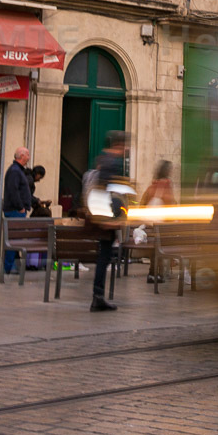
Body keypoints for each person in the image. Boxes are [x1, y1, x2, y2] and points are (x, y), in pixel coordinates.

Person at [86, 131, 130, 312]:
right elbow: (107, 190)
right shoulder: (113, 163)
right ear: (119, 145)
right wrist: (110, 219)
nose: (126, 149)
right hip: (107, 217)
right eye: (125, 145)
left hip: (103, 216)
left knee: (103, 257)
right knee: (104, 257)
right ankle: (98, 297)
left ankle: (98, 296)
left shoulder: (103, 160)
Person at [1, 147, 34, 275]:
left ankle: (12, 266)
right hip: (15, 211)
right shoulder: (15, 171)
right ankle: (8, 267)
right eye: (27, 154)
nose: (29, 157)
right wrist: (20, 207)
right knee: (13, 240)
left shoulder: (17, 170)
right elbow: (13, 191)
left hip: (17, 210)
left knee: (14, 240)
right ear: (21, 156)